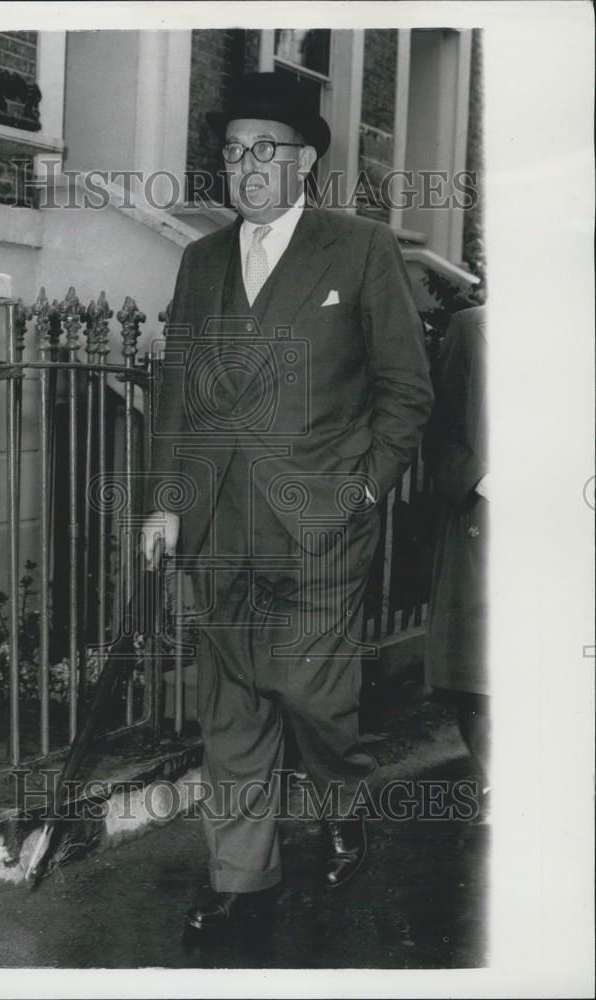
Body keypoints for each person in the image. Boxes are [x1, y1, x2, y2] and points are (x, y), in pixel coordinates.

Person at [141, 72, 433, 932]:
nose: (246, 166)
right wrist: (165, 503)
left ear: (306, 159)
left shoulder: (361, 250)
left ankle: (343, 801)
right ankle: (242, 879)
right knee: (230, 706)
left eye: (265, 149)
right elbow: (177, 392)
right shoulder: (199, 261)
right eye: (233, 153)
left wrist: (361, 490)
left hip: (321, 527)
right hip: (219, 525)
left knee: (309, 695)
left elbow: (406, 393)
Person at [423, 306, 489, 784]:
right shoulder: (473, 328)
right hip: (487, 518)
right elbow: (439, 429)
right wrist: (480, 478)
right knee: (480, 674)